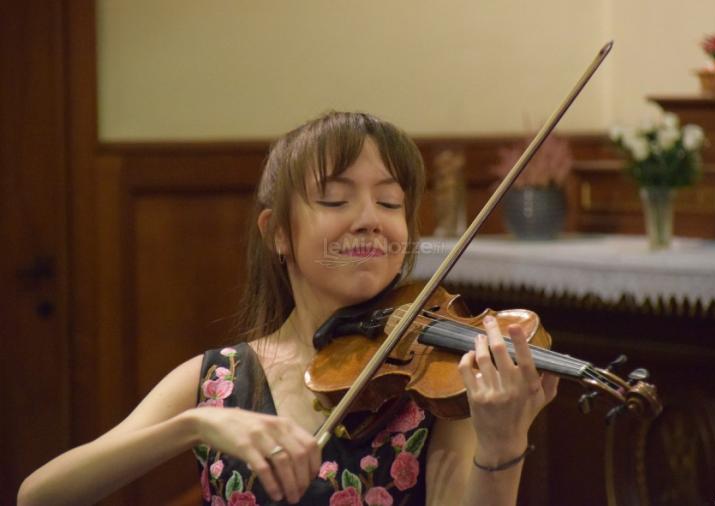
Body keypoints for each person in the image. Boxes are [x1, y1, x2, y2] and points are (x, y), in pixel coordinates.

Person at [18, 111, 559, 506]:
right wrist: (193, 427)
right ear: (278, 232)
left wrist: (503, 441)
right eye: (334, 199)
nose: (371, 219)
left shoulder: (433, 393)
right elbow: (39, 496)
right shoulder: (219, 380)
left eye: (391, 203)